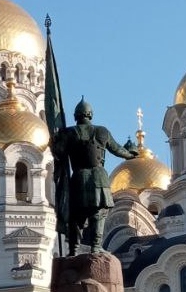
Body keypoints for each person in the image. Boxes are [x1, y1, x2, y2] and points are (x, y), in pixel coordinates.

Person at [51, 98, 137, 255]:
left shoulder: (68, 133)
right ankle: (96, 247)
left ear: (76, 116)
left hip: (78, 177)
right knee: (98, 213)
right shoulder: (102, 131)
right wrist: (131, 154)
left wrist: (55, 138)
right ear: (90, 115)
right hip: (99, 178)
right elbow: (117, 150)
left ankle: (73, 250)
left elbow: (58, 152)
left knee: (75, 217)